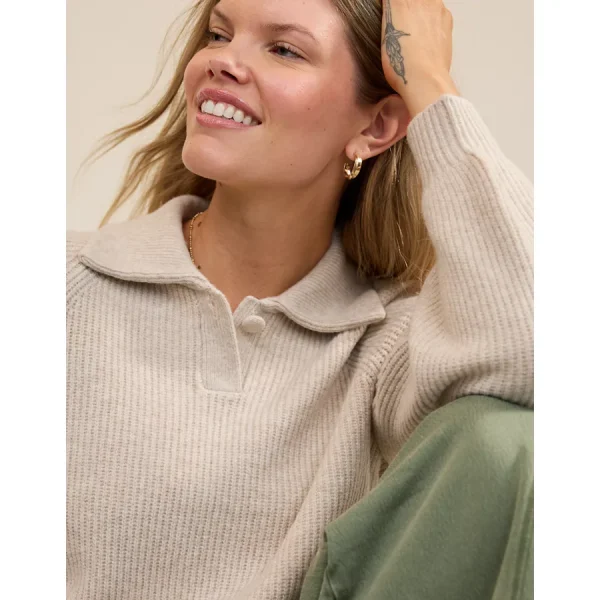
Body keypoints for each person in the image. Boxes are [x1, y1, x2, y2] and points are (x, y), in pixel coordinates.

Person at [66, 0, 534, 598]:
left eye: (284, 49)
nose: (221, 62)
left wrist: (431, 89)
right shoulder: (64, 285)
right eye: (218, 34)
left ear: (375, 127)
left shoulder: (382, 349)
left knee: (511, 440)